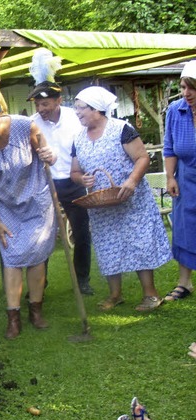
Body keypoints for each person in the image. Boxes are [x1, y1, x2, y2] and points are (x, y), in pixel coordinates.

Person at [70, 86, 171, 312]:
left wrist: (132, 182)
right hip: (101, 205)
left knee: (139, 243)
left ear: (96, 109)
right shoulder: (78, 138)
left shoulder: (121, 129)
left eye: (80, 108)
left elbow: (142, 158)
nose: (77, 113)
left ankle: (150, 295)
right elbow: (74, 172)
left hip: (131, 200)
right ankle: (115, 295)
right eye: (75, 108)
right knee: (108, 247)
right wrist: (81, 180)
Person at [0, 89, 57, 339]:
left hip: (37, 200)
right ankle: (13, 317)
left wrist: (51, 155)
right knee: (13, 256)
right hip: (5, 204)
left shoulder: (25, 126)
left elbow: (49, 156)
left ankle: (36, 310)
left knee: (37, 256)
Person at [29, 81, 94, 295]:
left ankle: (82, 279)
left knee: (81, 231)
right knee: (42, 234)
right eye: (38, 104)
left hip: (72, 181)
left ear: (59, 100)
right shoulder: (32, 123)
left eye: (45, 104)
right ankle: (40, 282)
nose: (40, 109)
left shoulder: (76, 120)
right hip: (44, 183)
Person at [163, 60, 196, 302]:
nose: (186, 93)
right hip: (185, 178)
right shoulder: (176, 110)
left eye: (192, 88)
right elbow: (169, 148)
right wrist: (170, 177)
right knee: (184, 229)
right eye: (184, 87)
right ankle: (185, 283)